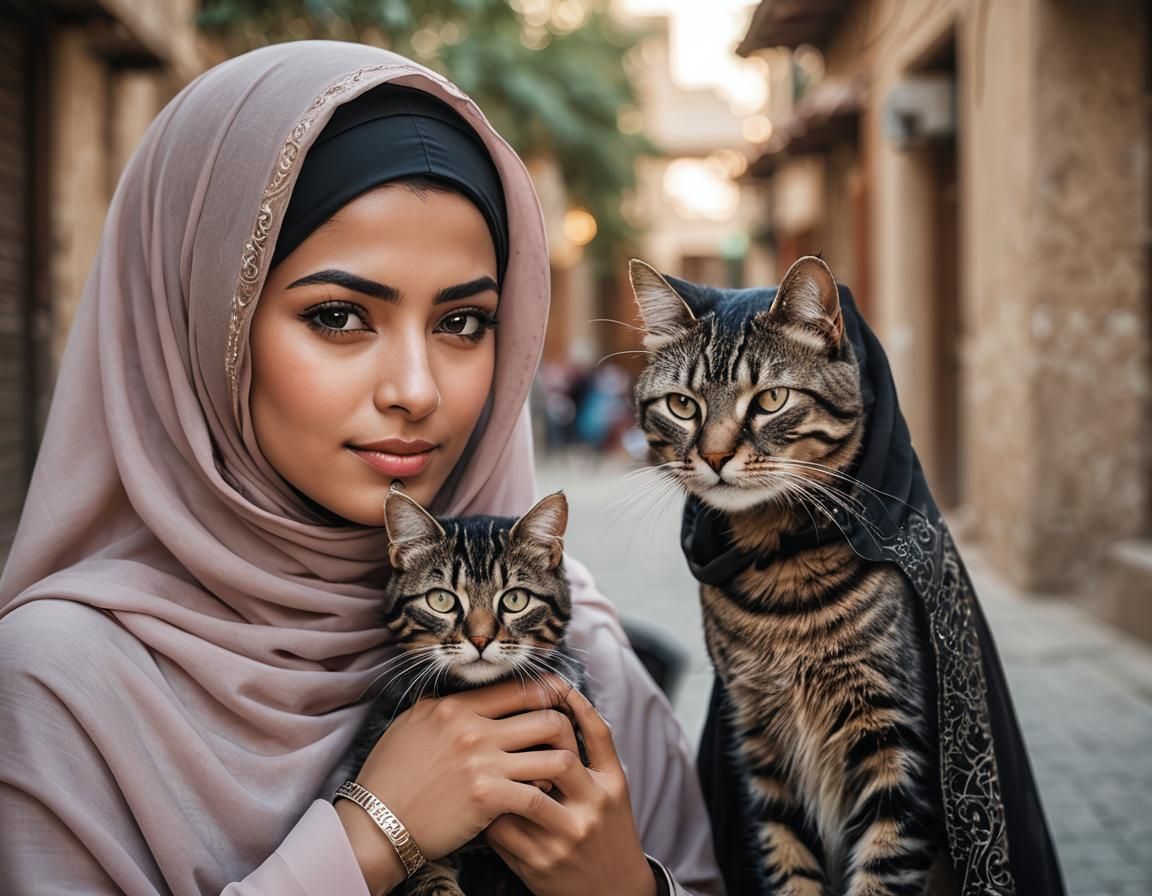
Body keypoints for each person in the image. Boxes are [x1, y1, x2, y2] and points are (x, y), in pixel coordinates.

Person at [0, 42, 723, 896]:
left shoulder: (583, 640)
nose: (416, 391)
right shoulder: (61, 686)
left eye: (463, 322)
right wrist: (371, 836)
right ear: (202, 327)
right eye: (339, 315)